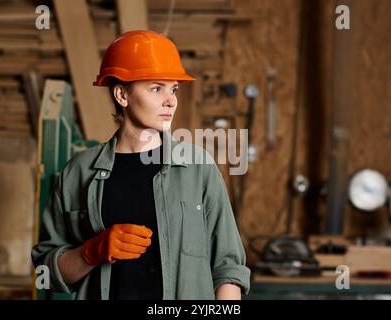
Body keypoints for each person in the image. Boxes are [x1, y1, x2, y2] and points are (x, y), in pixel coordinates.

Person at [31, 30, 250, 300]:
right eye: (157, 88)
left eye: (174, 89)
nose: (171, 100)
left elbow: (228, 268)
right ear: (122, 95)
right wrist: (91, 252)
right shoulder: (78, 173)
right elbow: (46, 272)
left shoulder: (199, 169)